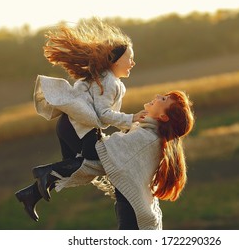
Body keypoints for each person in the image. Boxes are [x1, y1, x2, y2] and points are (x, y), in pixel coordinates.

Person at [15, 19, 146, 213]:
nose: (133, 63)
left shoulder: (102, 77)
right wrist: (132, 118)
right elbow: (104, 114)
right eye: (130, 58)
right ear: (116, 60)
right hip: (79, 127)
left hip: (68, 124)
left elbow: (106, 114)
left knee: (72, 169)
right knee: (93, 162)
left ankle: (30, 195)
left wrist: (127, 128)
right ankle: (43, 172)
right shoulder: (110, 82)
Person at [16, 90, 195, 230]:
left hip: (134, 215)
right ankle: (34, 191)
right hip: (129, 207)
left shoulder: (149, 139)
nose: (157, 96)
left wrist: (92, 122)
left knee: (82, 131)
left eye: (163, 100)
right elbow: (108, 160)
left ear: (164, 117)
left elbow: (107, 153)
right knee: (79, 131)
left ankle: (46, 176)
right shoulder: (149, 133)